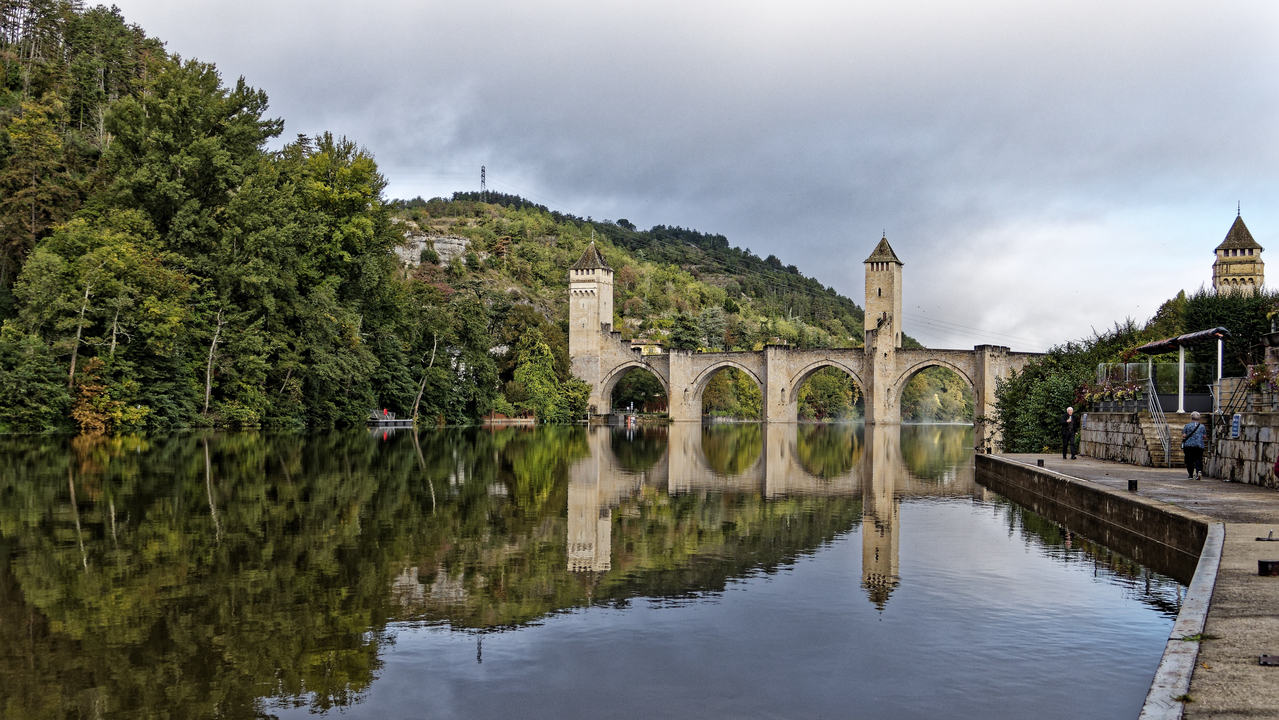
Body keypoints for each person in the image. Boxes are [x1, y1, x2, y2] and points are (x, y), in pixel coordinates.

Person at [1182, 411, 1206, 480]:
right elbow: (1204, 436)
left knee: (1190, 460)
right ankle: (1199, 471)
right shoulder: (1202, 426)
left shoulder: (1187, 426)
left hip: (1189, 446)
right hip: (1199, 445)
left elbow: (1184, 435)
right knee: (1198, 459)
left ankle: (1190, 474)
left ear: (1191, 418)